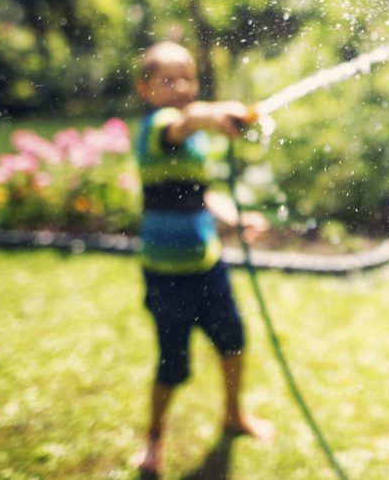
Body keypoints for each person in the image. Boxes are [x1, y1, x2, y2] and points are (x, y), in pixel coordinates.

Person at [132, 41, 274, 476]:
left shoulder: (193, 145)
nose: (180, 87)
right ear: (145, 88)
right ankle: (154, 438)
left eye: (187, 77)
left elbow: (199, 195)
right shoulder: (158, 128)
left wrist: (236, 218)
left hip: (207, 265)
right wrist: (217, 114)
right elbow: (188, 119)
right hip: (167, 273)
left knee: (233, 341)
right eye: (167, 80)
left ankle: (233, 414)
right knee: (171, 363)